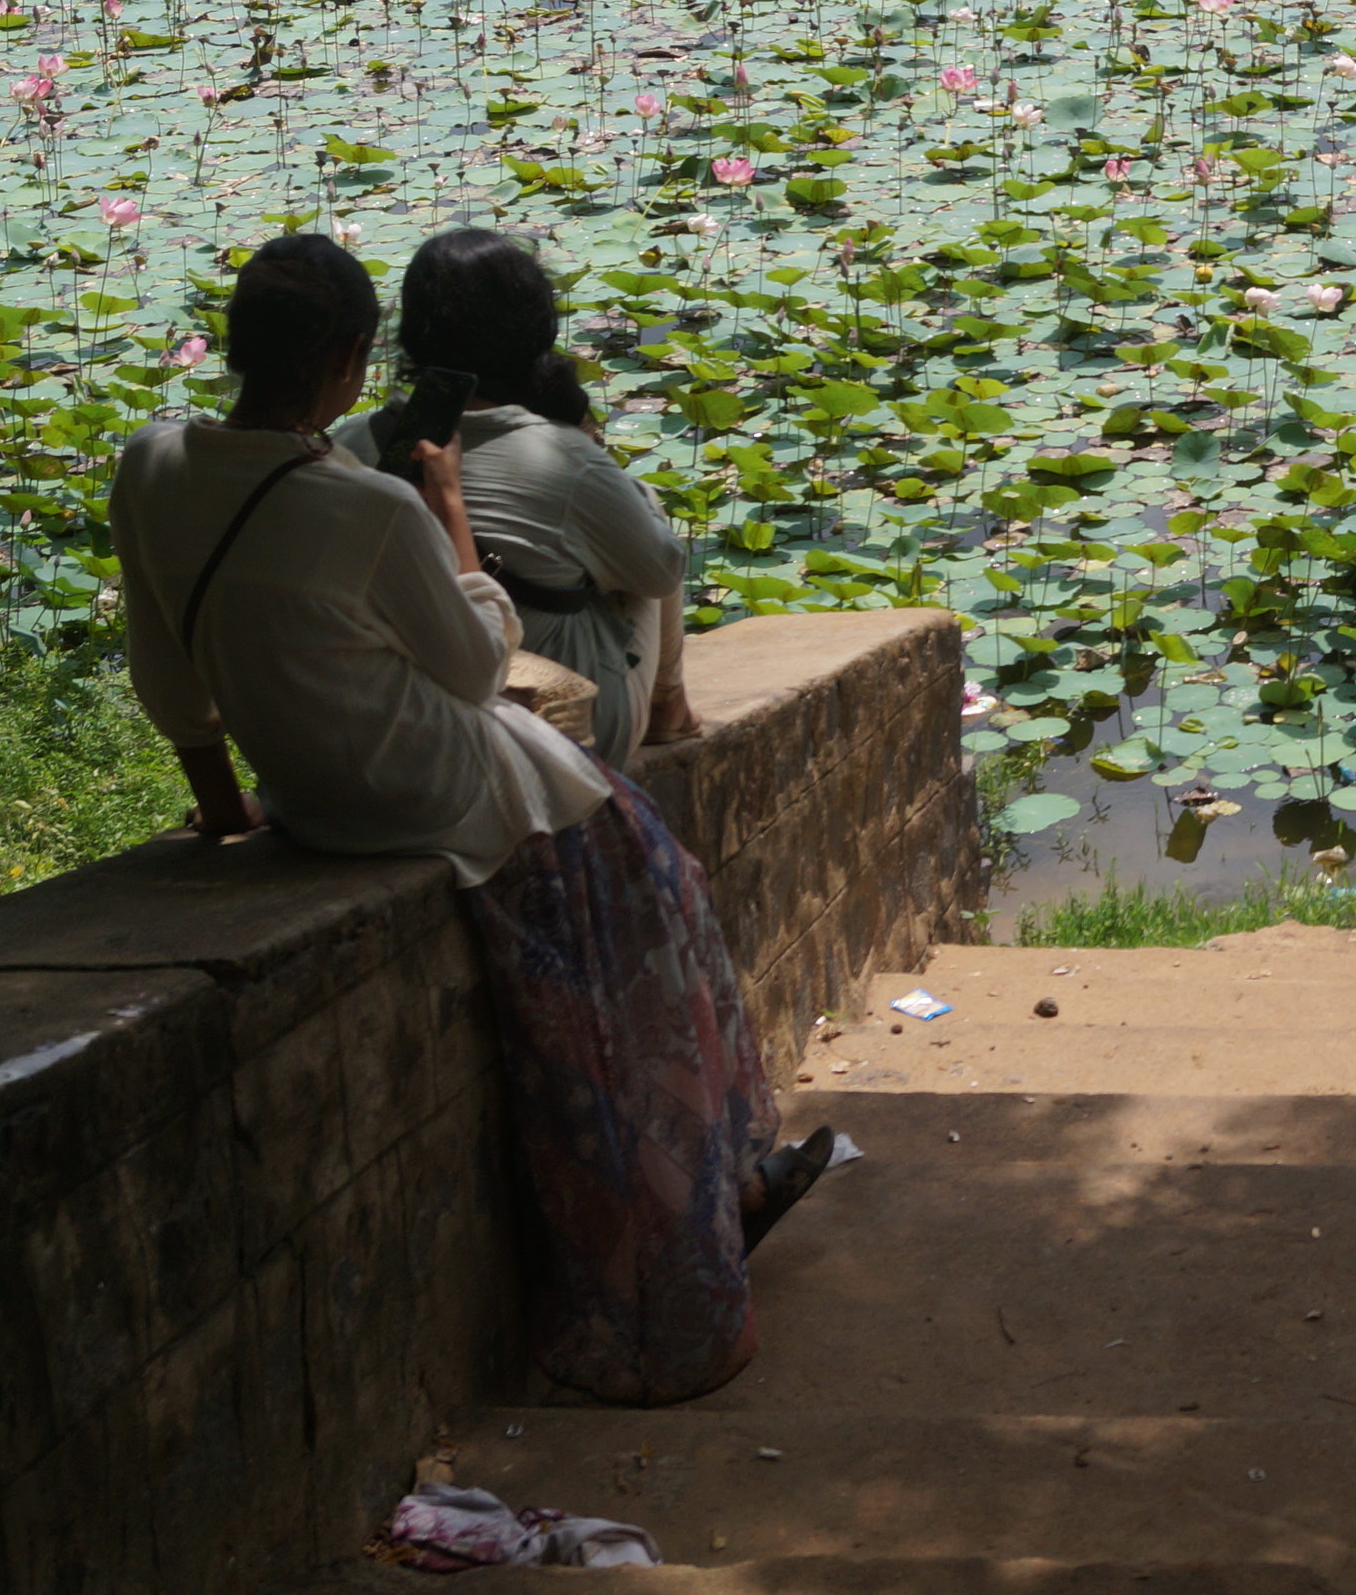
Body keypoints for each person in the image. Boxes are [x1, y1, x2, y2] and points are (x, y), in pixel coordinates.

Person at [109, 234, 829, 1408]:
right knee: (652, 985)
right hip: (470, 802)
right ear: (351, 356)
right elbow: (473, 660)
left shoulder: (150, 465)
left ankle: (738, 1185)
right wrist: (444, 510)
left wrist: (220, 806)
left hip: (313, 800)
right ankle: (687, 1263)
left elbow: (163, 662)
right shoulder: (366, 503)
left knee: (657, 952)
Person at [334, 227, 693, 772]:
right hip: (553, 729)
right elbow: (661, 574)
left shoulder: (352, 445)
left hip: (404, 723)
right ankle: (670, 706)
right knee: (645, 511)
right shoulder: (566, 459)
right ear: (533, 326)